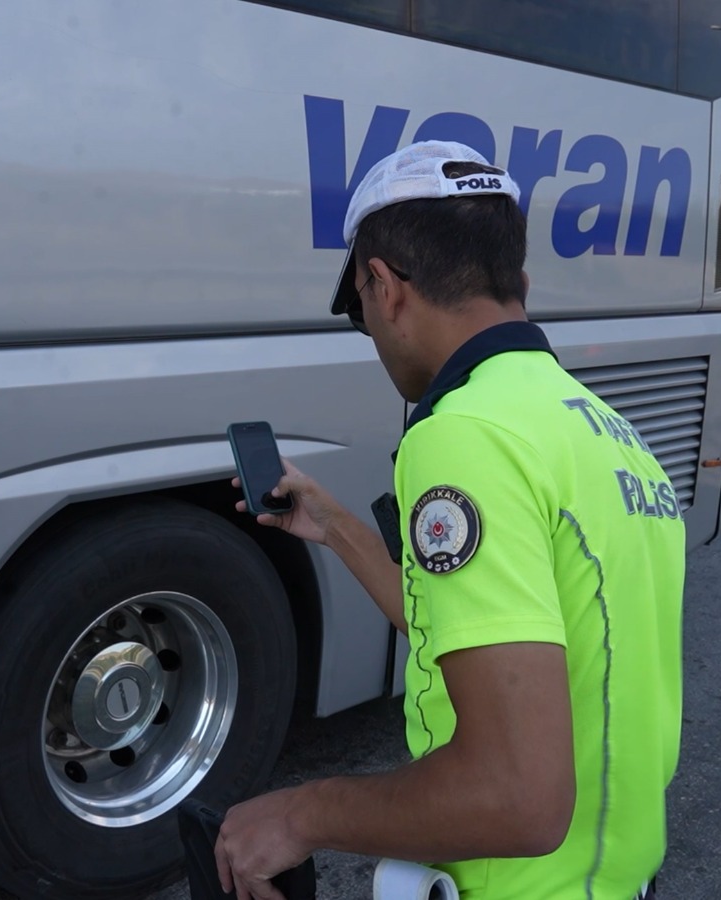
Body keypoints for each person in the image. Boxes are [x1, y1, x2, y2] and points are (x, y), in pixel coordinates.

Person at [214, 141, 687, 900]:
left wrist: (304, 813)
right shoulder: (605, 433)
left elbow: (518, 798)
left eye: (360, 310)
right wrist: (332, 524)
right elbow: (484, 633)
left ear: (383, 284)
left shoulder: (462, 435)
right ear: (518, 283)